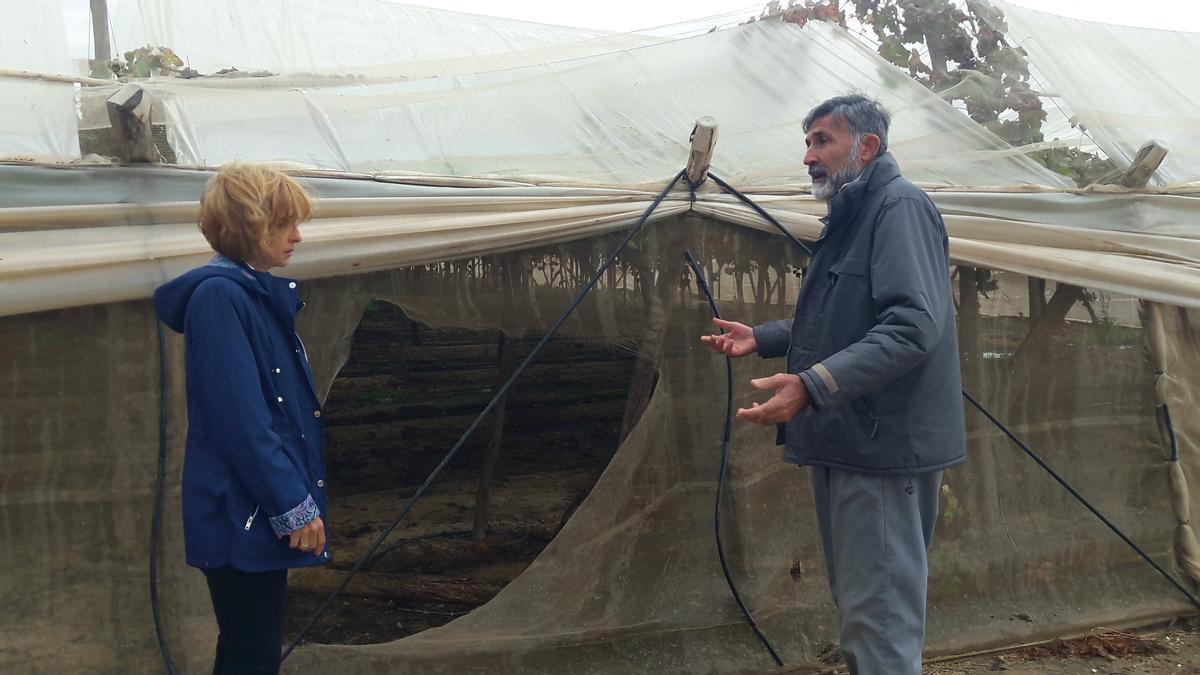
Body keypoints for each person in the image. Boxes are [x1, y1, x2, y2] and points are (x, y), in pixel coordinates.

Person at [701, 94, 965, 674]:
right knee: (863, 607)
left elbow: (912, 327)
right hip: (852, 439)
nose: (808, 157)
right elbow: (845, 320)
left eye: (823, 141)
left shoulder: (898, 208)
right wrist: (764, 336)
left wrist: (812, 385)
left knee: (881, 621)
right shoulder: (854, 215)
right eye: (807, 143)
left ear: (866, 147)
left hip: (882, 447)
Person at [154, 163, 329, 674]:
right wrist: (294, 505)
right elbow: (242, 422)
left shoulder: (252, 294)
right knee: (252, 658)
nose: (296, 236)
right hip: (240, 512)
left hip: (251, 508)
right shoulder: (221, 297)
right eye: (282, 225)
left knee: (242, 652)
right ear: (250, 226)